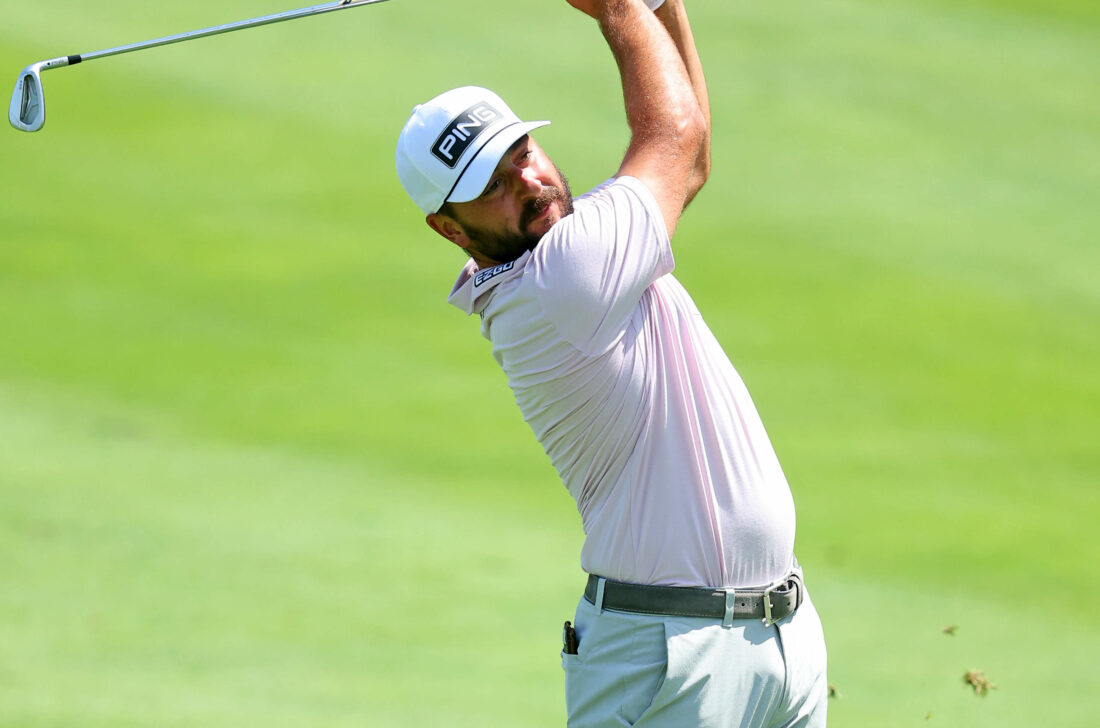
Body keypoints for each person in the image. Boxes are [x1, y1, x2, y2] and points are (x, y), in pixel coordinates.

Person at [394, 0, 828, 725]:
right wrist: (621, 8)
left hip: (780, 637)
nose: (528, 185)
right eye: (491, 188)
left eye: (521, 155)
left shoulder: (576, 251)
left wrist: (664, 7)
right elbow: (675, 132)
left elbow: (691, 164)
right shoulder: (563, 276)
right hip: (669, 658)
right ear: (448, 227)